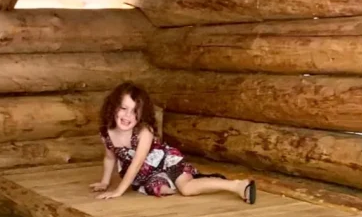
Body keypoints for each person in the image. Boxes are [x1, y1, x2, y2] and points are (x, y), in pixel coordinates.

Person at [93, 82, 256, 203]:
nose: (128, 116)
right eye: (123, 108)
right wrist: (105, 182)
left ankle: (236, 186)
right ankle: (174, 183)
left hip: (166, 162)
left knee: (186, 189)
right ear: (113, 107)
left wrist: (118, 191)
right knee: (159, 189)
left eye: (135, 112)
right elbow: (110, 158)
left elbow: (136, 163)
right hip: (147, 174)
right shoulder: (107, 133)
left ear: (141, 116)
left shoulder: (144, 132)